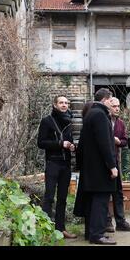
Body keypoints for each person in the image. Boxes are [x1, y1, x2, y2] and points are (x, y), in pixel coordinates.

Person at [74, 88, 119, 245]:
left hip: (90, 168)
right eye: (111, 99)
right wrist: (112, 165)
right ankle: (98, 235)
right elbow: (104, 143)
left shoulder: (90, 114)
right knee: (100, 202)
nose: (112, 102)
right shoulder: (100, 115)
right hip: (100, 169)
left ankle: (90, 233)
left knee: (92, 202)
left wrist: (80, 165)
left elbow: (82, 144)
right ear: (105, 99)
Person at [37, 95, 77, 239]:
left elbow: (69, 141)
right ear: (55, 105)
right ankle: (45, 230)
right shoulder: (47, 121)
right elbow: (41, 142)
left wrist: (71, 146)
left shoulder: (68, 122)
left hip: (65, 164)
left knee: (62, 198)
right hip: (53, 163)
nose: (64, 105)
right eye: (61, 102)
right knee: (49, 197)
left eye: (66, 102)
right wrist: (60, 144)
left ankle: (61, 229)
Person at [105, 97, 130, 232]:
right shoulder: (103, 121)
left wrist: (118, 142)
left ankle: (121, 222)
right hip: (104, 162)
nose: (117, 108)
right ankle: (107, 222)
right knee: (105, 192)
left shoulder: (121, 123)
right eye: (114, 106)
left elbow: (125, 141)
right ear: (108, 107)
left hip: (115, 160)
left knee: (118, 192)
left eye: (118, 106)